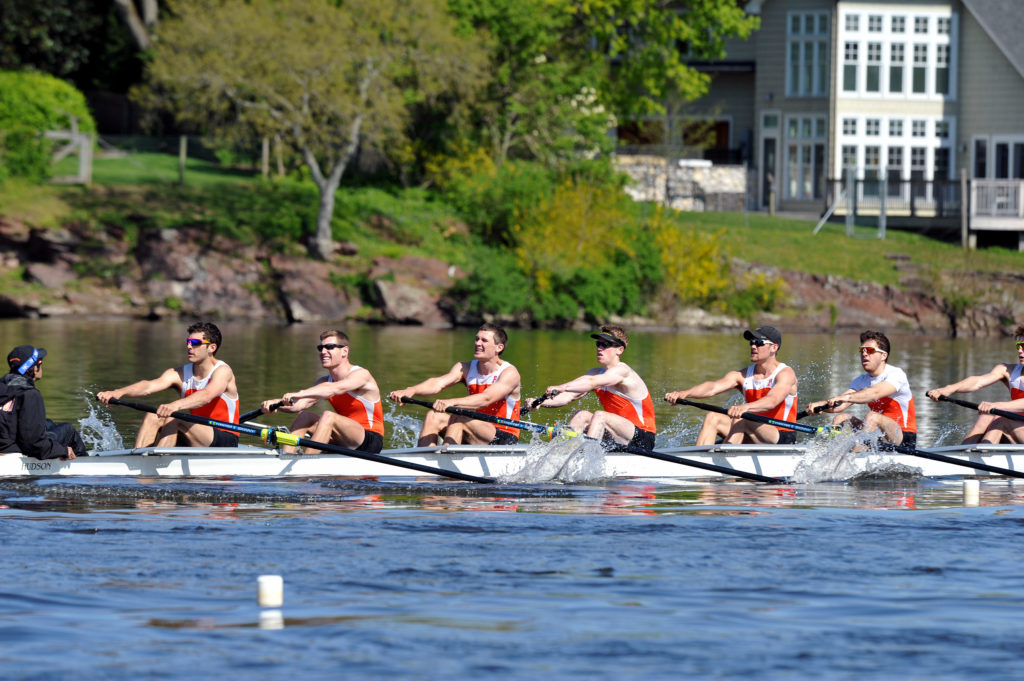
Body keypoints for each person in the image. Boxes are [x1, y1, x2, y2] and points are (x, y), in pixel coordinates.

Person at [96, 322, 240, 448]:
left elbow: (206, 396)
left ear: (211, 348)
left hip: (224, 436)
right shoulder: (180, 373)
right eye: (188, 342)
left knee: (174, 417)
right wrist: (118, 392)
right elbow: (148, 387)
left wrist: (175, 405)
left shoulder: (223, 371)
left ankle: (159, 462)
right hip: (194, 433)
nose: (189, 346)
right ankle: (138, 458)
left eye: (195, 343)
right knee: (153, 416)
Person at [388, 323, 521, 447]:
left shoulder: (509, 373)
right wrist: (412, 390)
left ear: (499, 347)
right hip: (475, 428)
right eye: (476, 339)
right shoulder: (465, 368)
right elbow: (437, 383)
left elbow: (486, 399)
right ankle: (423, 459)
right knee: (433, 416)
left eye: (484, 341)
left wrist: (451, 402)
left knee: (459, 418)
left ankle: (445, 459)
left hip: (504, 436)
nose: (477, 343)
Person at [664, 325, 799, 445]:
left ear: (774, 347)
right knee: (713, 417)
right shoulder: (742, 375)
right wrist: (684, 394)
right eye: (751, 342)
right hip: (752, 430)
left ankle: (724, 457)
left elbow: (772, 401)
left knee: (742, 419)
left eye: (758, 342)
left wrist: (745, 408)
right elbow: (712, 388)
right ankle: (700, 460)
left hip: (781, 435)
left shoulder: (785, 373)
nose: (753, 346)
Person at [260, 330, 385, 454]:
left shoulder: (361, 374)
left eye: (329, 347)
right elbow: (298, 405)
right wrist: (275, 403)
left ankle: (308, 464)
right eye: (321, 348)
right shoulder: (323, 381)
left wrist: (300, 393)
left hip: (370, 440)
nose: (323, 352)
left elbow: (335, 388)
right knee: (304, 416)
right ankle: (287, 455)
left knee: (328, 416)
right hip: (342, 437)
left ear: (344, 351)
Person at [538, 326, 657, 449]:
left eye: (606, 344)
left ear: (620, 350)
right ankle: (563, 452)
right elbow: (568, 396)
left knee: (600, 416)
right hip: (617, 433)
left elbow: (591, 382)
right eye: (598, 344)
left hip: (642, 438)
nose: (600, 348)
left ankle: (587, 455)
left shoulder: (623, 372)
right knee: (581, 415)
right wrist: (540, 402)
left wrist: (562, 387)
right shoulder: (595, 372)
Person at [807, 330, 917, 447]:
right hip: (879, 435)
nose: (864, 354)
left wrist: (846, 397)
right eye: (862, 350)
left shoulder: (896, 374)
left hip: (904, 437)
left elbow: (874, 393)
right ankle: (838, 452)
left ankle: (859, 450)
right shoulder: (861, 380)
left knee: (872, 416)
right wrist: (819, 406)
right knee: (841, 418)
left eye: (869, 350)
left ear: (883, 356)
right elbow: (840, 405)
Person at [925, 323, 1024, 443]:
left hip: (1016, 427)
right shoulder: (1007, 370)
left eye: (1023, 347)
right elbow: (977, 382)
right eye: (1018, 346)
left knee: (1001, 420)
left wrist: (996, 405)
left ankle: (984, 454)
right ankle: (961, 454)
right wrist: (948, 389)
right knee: (985, 417)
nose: (1019, 351)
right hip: (1018, 428)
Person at [0, 345, 88, 460]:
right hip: (13, 452)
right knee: (68, 430)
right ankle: (84, 463)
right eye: (40, 362)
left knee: (48, 424)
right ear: (35, 368)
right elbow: (32, 444)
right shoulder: (30, 394)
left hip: (6, 444)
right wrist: (62, 450)